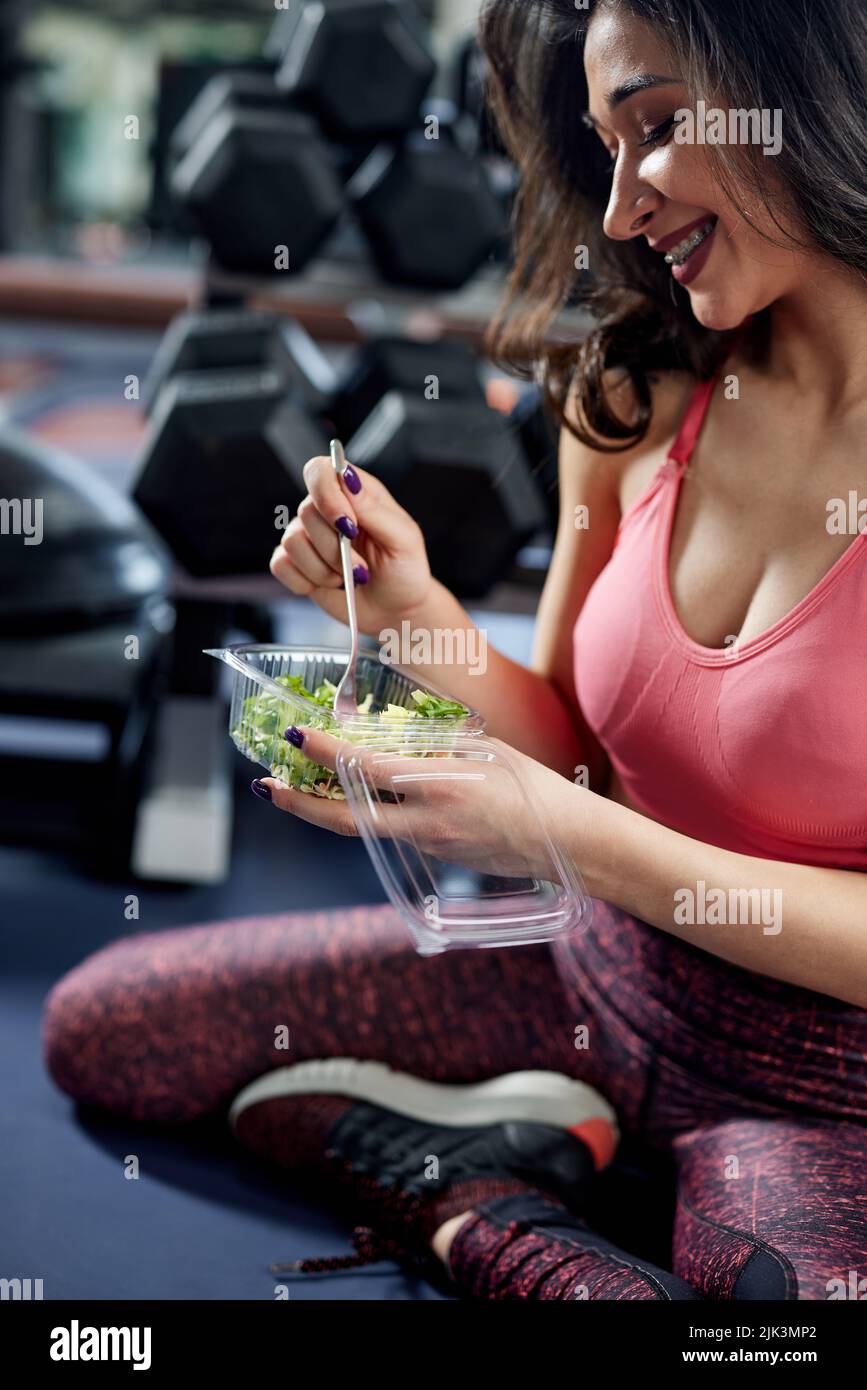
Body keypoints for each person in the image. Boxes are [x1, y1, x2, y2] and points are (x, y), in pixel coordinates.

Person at [44, 0, 867, 1300]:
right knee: (109, 1027)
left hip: (826, 1089)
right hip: (585, 975)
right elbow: (579, 760)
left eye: (654, 129)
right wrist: (413, 611)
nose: (618, 210)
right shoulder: (637, 393)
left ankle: (484, 1179)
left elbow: (575, 818)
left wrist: (566, 831)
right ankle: (479, 1192)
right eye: (603, 151)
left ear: (808, 86)